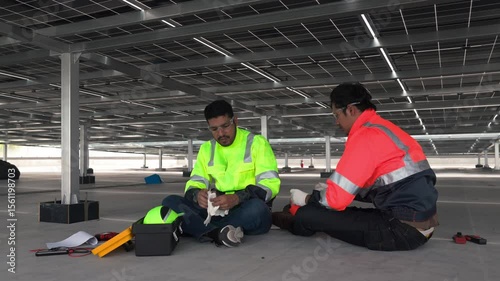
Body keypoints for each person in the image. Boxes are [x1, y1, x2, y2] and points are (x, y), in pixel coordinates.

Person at [272, 82, 439, 251]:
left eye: (336, 115)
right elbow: (375, 186)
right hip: (421, 224)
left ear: (351, 110)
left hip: (401, 230)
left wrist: (307, 198)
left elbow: (335, 201)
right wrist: (331, 190)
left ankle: (297, 218)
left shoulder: (365, 136)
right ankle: (300, 213)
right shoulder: (385, 129)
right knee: (338, 211)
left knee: (309, 214)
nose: (337, 122)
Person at [162, 100, 281, 247]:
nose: (221, 133)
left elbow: (270, 186)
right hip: (216, 209)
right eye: (214, 129)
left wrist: (237, 198)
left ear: (235, 121)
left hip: (246, 207)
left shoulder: (257, 143)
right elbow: (196, 181)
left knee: (258, 208)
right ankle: (217, 233)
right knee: (170, 201)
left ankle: (200, 229)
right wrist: (197, 195)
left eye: (225, 126)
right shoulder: (207, 149)